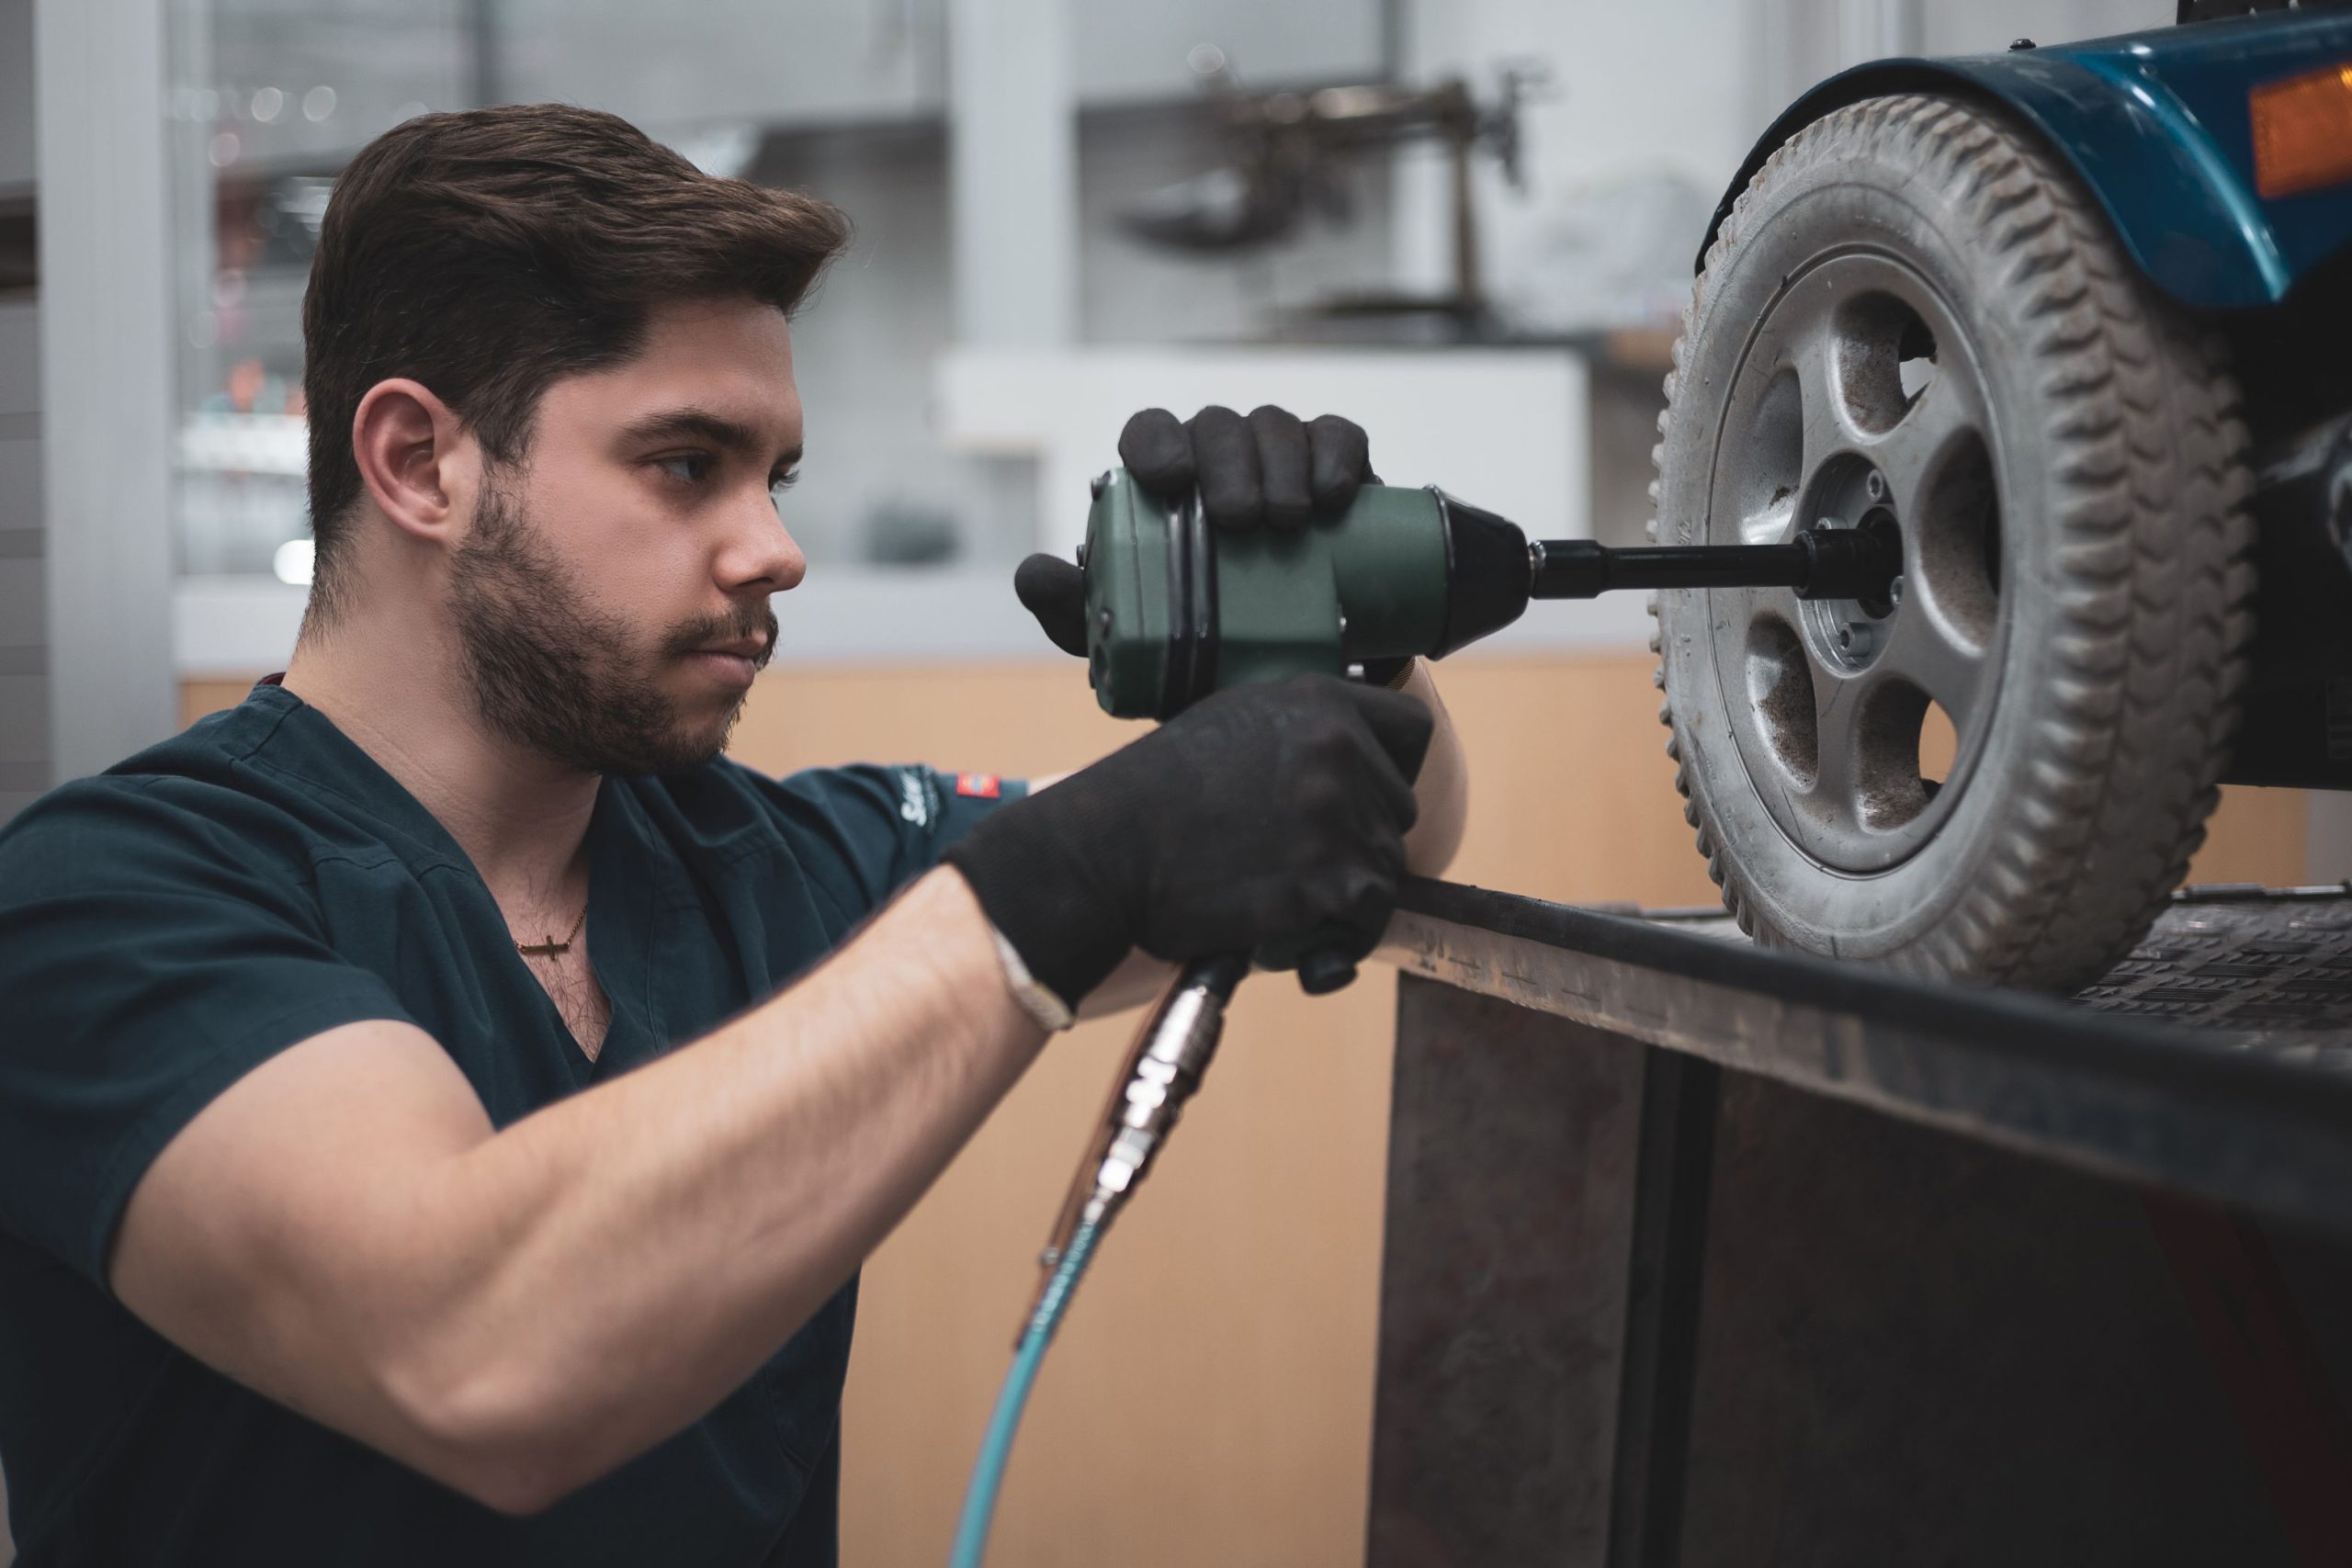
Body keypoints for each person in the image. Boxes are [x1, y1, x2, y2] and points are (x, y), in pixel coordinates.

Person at [0, 104, 1465, 1563]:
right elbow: (473, 1347)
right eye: (688, 463)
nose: (775, 547)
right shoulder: (108, 901)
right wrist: (1054, 887)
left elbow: (1382, 843)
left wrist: (1336, 649)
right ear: (419, 463)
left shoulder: (781, 866)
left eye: (779, 476)